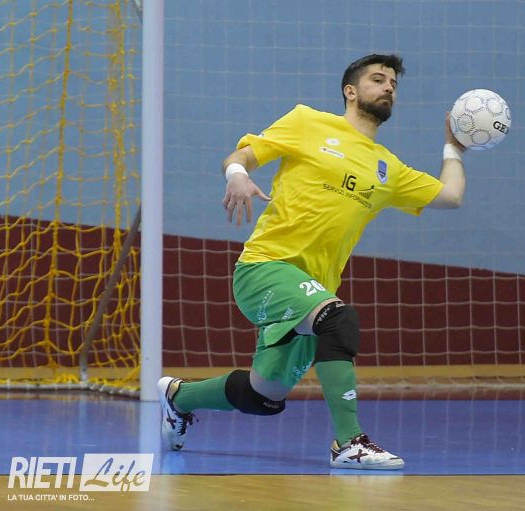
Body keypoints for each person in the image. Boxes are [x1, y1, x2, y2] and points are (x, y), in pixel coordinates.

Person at [158, 53, 467, 470]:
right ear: (351, 91)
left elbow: (451, 196)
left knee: (264, 396)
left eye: (393, 83)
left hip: (314, 290)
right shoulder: (307, 122)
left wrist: (454, 146)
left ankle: (178, 397)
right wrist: (237, 176)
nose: (388, 87)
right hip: (265, 267)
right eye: (378, 79)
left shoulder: (388, 169)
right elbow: (241, 156)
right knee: (339, 320)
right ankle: (349, 443)